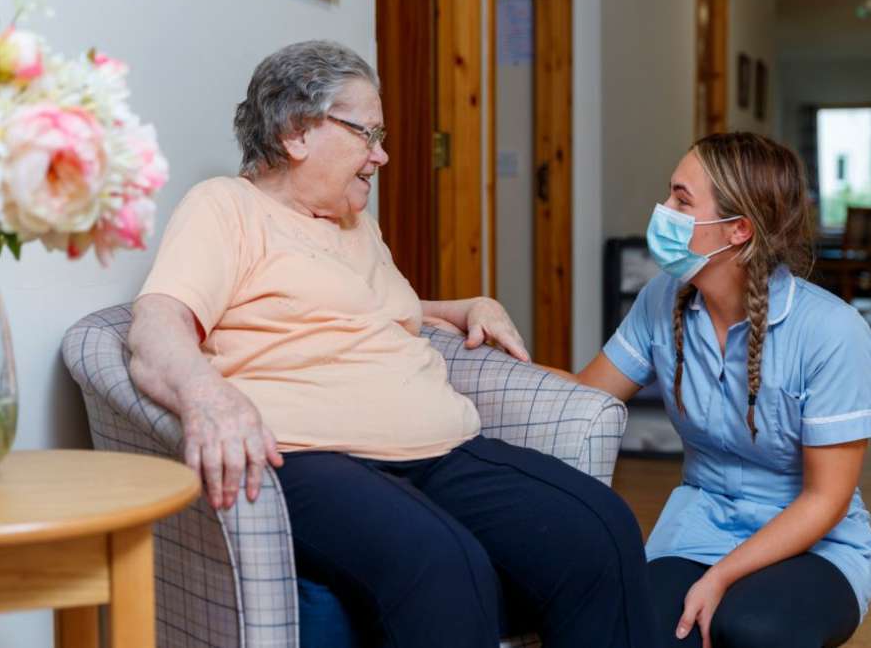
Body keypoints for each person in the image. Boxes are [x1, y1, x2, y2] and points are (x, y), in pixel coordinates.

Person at [127, 40, 658, 647]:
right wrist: (205, 395)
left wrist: (458, 307)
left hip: (442, 449)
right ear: (299, 132)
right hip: (311, 457)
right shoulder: (226, 209)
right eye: (367, 134)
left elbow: (361, 309)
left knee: (601, 527)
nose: (380, 156)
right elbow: (156, 324)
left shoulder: (355, 222)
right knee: (444, 564)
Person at [562, 131, 871, 648]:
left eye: (681, 200)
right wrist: (484, 349)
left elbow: (826, 499)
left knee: (752, 629)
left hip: (815, 540)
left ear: (737, 231)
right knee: (642, 631)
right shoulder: (663, 299)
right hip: (700, 523)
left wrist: (722, 575)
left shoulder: (833, 331)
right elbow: (583, 396)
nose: (662, 210)